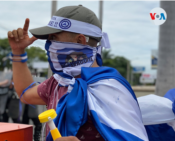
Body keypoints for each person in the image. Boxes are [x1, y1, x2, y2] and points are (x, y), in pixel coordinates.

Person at [8, 5, 148, 141]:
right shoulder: (58, 82)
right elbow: (25, 93)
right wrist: (18, 52)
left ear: (80, 40)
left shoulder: (111, 89)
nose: (49, 45)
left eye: (54, 38)